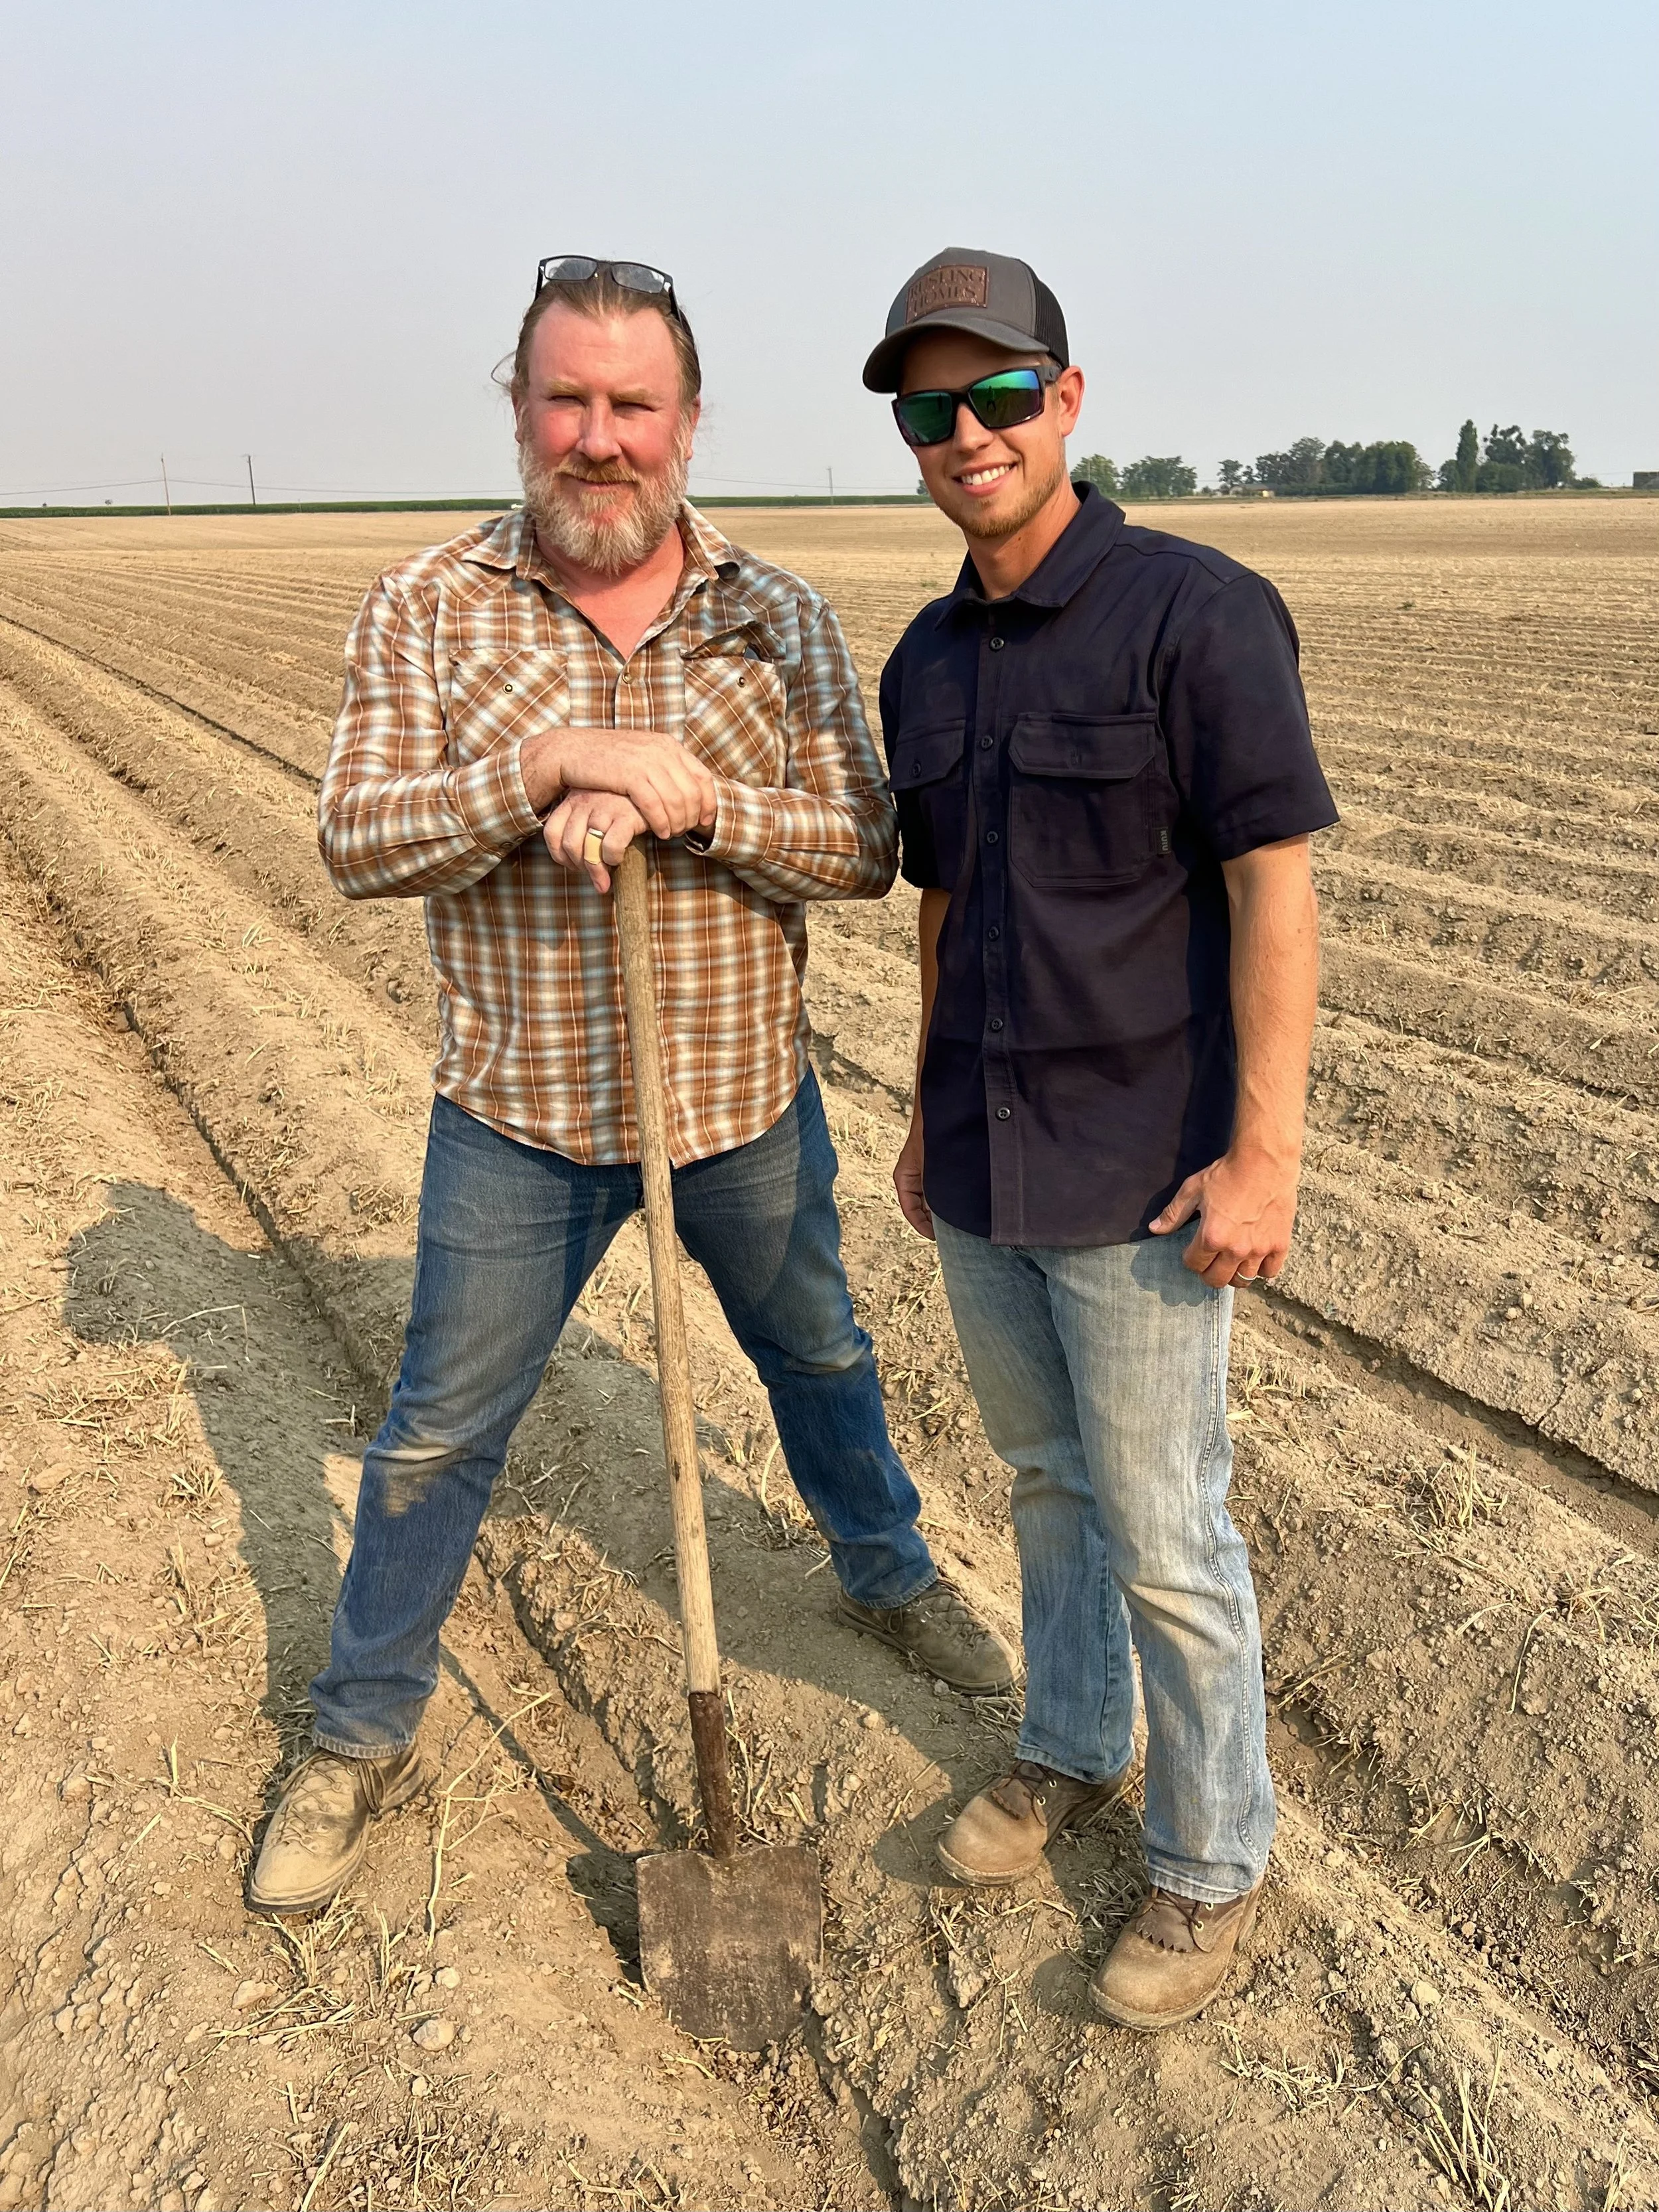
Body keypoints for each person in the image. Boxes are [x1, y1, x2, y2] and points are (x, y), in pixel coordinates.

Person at [248, 256, 1011, 1915]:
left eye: (632, 405)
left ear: (687, 423)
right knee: (439, 1431)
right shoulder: (429, 606)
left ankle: (884, 1571)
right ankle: (360, 1727)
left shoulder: (776, 615)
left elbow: (871, 847)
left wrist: (694, 804)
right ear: (520, 410)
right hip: (518, 1118)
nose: (600, 438)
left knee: (814, 1345)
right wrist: (542, 771)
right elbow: (356, 836)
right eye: (568, 401)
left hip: (740, 1104)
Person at [866, 249, 1336, 2030]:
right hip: (985, 1159)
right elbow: (939, 903)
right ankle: (1066, 1741)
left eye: (998, 395)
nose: (966, 432)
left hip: (1142, 1172)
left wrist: (1262, 1156)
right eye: (931, 407)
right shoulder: (920, 656)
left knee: (1163, 1520)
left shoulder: (1193, 615)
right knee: (1048, 1485)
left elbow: (1271, 893)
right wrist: (919, 1104)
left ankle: (1210, 1862)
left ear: (1065, 402)